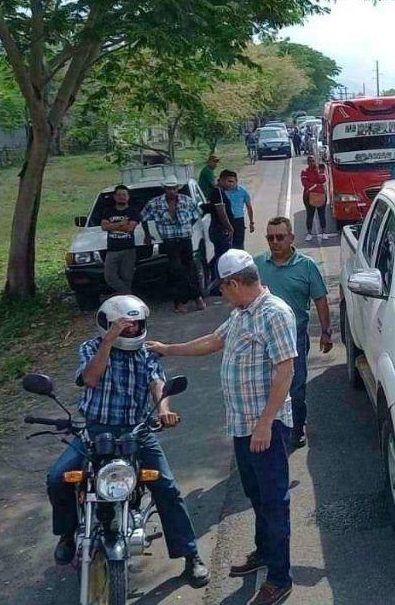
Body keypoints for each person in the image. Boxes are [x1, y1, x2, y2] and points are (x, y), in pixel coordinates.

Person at [149, 251, 296, 605]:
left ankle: (279, 578)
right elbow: (214, 341)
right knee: (256, 496)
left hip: (266, 427)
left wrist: (265, 423)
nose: (222, 294)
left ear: (234, 283)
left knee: (274, 501)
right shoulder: (241, 313)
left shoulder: (274, 313)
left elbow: (286, 370)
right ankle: (265, 551)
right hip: (243, 426)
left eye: (223, 288)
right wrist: (168, 349)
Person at [46, 296, 209, 586]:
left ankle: (190, 555)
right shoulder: (91, 348)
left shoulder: (147, 353)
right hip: (95, 430)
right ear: (107, 324)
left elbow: (157, 383)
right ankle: (67, 535)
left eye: (136, 324)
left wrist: (163, 410)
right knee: (58, 478)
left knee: (167, 487)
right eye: (125, 325)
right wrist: (109, 342)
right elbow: (91, 378)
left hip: (137, 431)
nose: (132, 329)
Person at [255, 218, 331, 450]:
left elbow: (320, 299)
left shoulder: (306, 266)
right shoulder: (257, 265)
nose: (275, 242)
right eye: (270, 237)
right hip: (262, 340)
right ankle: (269, 428)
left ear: (291, 238)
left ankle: (297, 428)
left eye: (280, 237)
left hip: (294, 338)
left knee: (295, 387)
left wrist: (326, 332)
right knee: (265, 387)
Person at [142, 178, 206, 314]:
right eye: (168, 188)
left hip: (185, 239)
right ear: (164, 189)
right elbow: (143, 217)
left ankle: (196, 298)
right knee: (176, 271)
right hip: (169, 241)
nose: (171, 191)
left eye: (174, 188)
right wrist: (147, 235)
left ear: (178, 188)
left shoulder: (187, 200)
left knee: (190, 268)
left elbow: (198, 214)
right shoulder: (155, 203)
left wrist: (188, 226)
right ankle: (182, 300)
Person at [101, 184, 141, 295]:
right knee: (109, 276)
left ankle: (124, 298)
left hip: (128, 249)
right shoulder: (108, 211)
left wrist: (112, 225)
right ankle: (128, 294)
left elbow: (130, 228)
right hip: (112, 250)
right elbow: (104, 227)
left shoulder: (133, 211)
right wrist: (121, 223)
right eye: (119, 195)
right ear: (114, 197)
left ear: (128, 197)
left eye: (124, 195)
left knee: (127, 277)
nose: (121, 197)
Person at [208, 170, 238, 280]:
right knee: (222, 257)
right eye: (229, 181)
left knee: (220, 254)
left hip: (219, 229)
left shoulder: (220, 192)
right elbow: (221, 212)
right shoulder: (218, 192)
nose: (231, 184)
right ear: (221, 180)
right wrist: (230, 228)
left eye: (233, 182)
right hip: (220, 229)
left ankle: (214, 275)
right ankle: (217, 279)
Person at [300, 156, 332, 242]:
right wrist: (317, 185)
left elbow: (323, 181)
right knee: (310, 215)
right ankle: (309, 233)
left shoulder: (319, 170)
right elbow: (305, 184)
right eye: (310, 161)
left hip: (321, 196)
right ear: (307, 162)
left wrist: (319, 172)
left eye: (313, 161)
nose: (312, 162)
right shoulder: (304, 172)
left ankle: (324, 232)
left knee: (322, 214)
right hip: (308, 197)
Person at [224, 171, 256, 249]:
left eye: (231, 181)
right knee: (227, 245)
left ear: (236, 181)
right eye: (228, 181)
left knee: (239, 244)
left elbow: (249, 207)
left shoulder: (242, 191)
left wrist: (251, 222)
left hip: (239, 220)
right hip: (227, 220)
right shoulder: (223, 192)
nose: (230, 184)